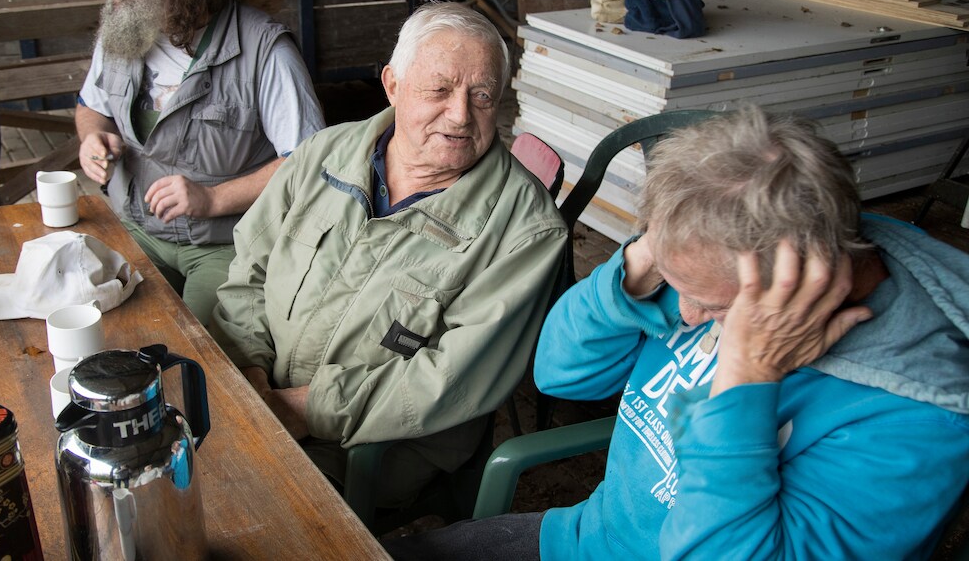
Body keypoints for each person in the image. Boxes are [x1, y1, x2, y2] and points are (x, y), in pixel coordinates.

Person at [386, 104, 969, 559]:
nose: (684, 315)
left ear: (798, 282)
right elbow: (560, 372)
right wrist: (637, 271)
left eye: (709, 304)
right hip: (586, 539)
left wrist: (746, 381)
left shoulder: (916, 419)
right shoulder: (719, 258)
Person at [209, 2, 569, 508]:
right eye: (439, 90)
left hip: (378, 447)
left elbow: (449, 380)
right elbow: (250, 271)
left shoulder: (526, 232)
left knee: (241, 509)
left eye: (482, 96)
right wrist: (251, 373)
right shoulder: (322, 155)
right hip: (262, 390)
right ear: (393, 85)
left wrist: (304, 409)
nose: (461, 114)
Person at [76, 0, 325, 326]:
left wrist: (213, 200)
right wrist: (93, 135)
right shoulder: (124, 28)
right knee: (104, 326)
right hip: (137, 229)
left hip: (226, 245)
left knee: (197, 346)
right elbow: (91, 107)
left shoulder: (265, 50)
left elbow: (308, 163)